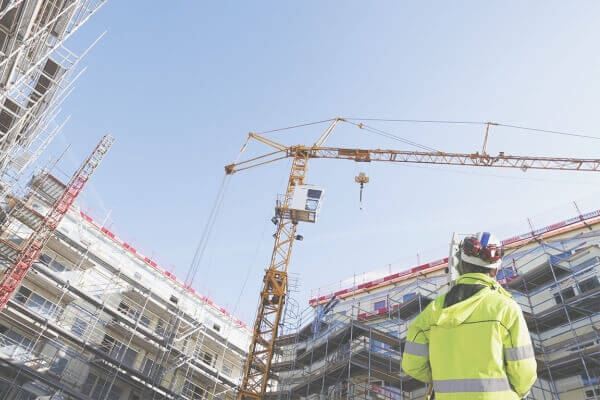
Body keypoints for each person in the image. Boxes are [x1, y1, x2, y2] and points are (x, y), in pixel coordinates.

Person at [402, 232, 537, 399]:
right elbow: (525, 372)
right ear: (495, 270)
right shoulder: (506, 308)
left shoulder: (431, 312)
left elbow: (411, 364)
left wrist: (444, 378)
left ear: (461, 264)